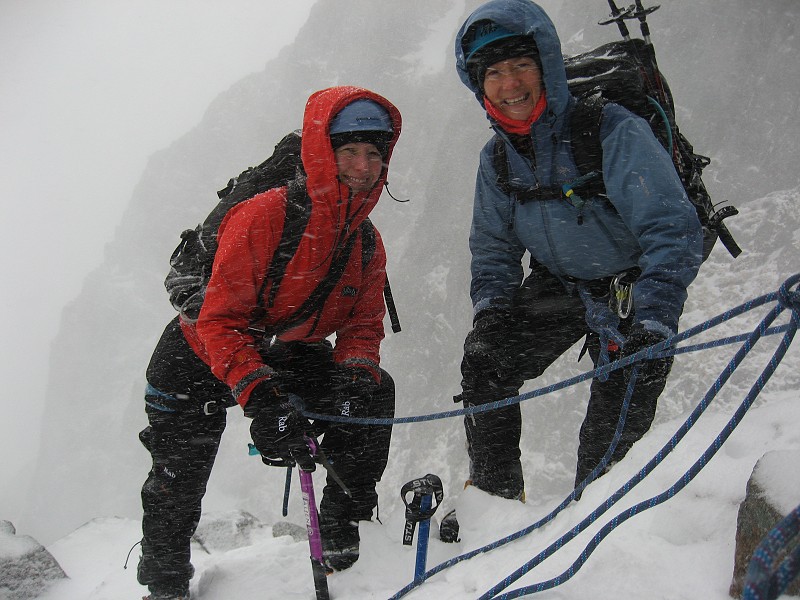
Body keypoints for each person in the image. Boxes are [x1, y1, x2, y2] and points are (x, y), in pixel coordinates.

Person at [137, 86, 402, 600]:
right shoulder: (264, 216)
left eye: (374, 153)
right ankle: (165, 584)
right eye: (349, 151)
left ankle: (345, 534)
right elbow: (219, 322)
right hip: (195, 357)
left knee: (373, 393)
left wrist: (354, 375)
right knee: (177, 479)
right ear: (323, 153)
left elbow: (363, 325)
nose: (363, 166)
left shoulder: (365, 242)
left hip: (278, 353)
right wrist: (264, 398)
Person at [451, 0, 703, 503]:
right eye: (493, 73)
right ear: (479, 87)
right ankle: (494, 503)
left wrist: (654, 318)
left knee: (609, 444)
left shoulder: (608, 128)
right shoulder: (497, 157)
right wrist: (492, 314)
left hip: (635, 288)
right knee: (487, 363)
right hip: (561, 282)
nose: (510, 83)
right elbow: (493, 247)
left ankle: (597, 520)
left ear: (545, 65)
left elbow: (671, 229)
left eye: (521, 65)